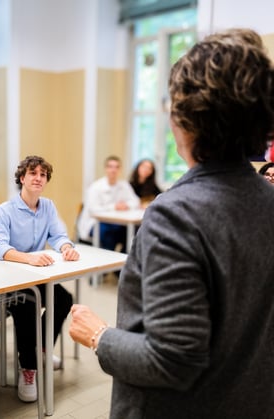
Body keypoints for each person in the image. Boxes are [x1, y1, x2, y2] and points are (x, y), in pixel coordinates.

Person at [69, 28, 274, 419]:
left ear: (186, 119)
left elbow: (172, 360)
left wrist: (98, 336)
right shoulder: (268, 199)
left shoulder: (175, 215)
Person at [0, 155, 79, 403]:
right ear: (22, 178)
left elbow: (59, 234)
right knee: (27, 305)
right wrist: (28, 258)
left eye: (43, 174)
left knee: (63, 299)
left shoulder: (48, 206)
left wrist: (66, 248)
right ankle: (28, 369)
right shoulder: (5, 210)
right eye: (33, 173)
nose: (38, 178)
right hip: (8, 278)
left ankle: (41, 350)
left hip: (37, 274)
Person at [77, 155, 140, 251]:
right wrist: (115, 207)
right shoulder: (96, 187)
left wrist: (126, 205)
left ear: (120, 169)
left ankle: (124, 260)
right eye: (110, 167)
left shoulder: (124, 185)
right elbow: (93, 209)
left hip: (116, 222)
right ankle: (109, 262)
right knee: (109, 234)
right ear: (105, 169)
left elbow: (136, 201)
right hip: (95, 223)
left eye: (117, 167)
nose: (113, 170)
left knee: (132, 231)